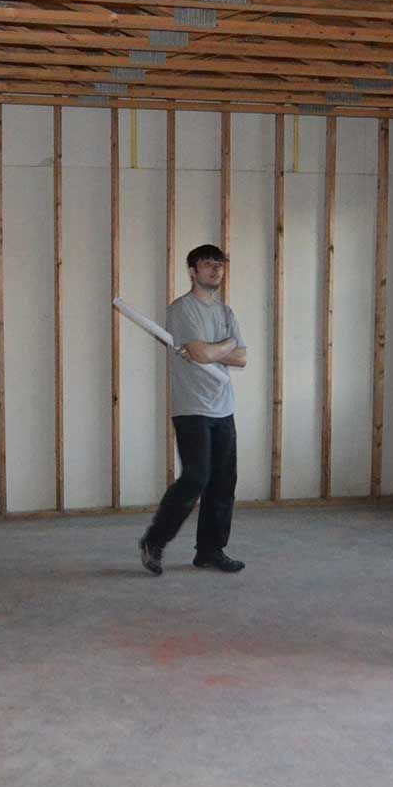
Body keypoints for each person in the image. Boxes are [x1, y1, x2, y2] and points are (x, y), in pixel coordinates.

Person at [139, 244, 248, 575]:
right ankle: (154, 541)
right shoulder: (181, 310)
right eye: (207, 264)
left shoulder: (226, 313)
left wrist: (216, 349)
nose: (215, 270)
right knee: (196, 477)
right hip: (192, 408)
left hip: (223, 407)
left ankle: (210, 551)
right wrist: (226, 345)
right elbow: (200, 354)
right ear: (192, 271)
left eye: (219, 264)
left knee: (223, 482)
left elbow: (242, 358)